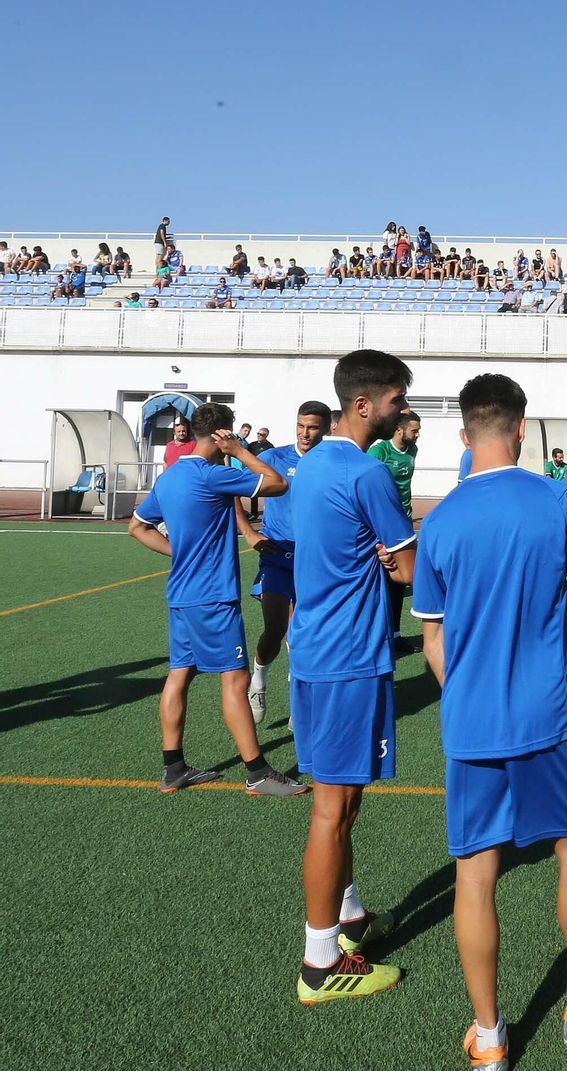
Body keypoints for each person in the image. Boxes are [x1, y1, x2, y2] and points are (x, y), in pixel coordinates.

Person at [412, 375, 567, 1059]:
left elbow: (434, 637)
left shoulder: (442, 520)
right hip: (551, 711)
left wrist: (469, 694)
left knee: (475, 872)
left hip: (472, 720)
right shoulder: (558, 499)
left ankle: (489, 1038)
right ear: (522, 429)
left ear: (464, 435)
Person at [289, 349, 418, 1003]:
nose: (403, 414)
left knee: (345, 801)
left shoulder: (310, 465)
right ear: (364, 404)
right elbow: (411, 570)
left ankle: (347, 917)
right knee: (332, 810)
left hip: (316, 651)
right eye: (397, 401)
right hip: (349, 657)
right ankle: (319, 964)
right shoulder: (369, 474)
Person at [126, 402, 304, 795]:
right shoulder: (213, 475)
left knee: (180, 675)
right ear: (223, 434)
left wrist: (180, 552)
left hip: (181, 594)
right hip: (213, 597)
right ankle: (257, 772)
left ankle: (173, 768)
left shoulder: (170, 477)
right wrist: (241, 452)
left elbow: (137, 527)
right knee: (236, 677)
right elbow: (277, 484)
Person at [237, 401, 331, 725]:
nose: (305, 433)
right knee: (275, 630)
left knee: (300, 636)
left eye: (313, 427)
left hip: (314, 562)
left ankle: (298, 705)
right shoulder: (273, 458)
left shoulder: (330, 463)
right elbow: (230, 488)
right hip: (276, 557)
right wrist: (248, 532)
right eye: (301, 426)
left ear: (327, 428)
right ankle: (258, 681)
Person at [368, 412, 420, 653]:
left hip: (403, 524)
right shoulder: (379, 451)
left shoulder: (412, 450)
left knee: (399, 580)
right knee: (376, 580)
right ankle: (373, 636)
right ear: (399, 430)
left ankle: (395, 635)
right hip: (380, 525)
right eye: (414, 430)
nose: (417, 435)